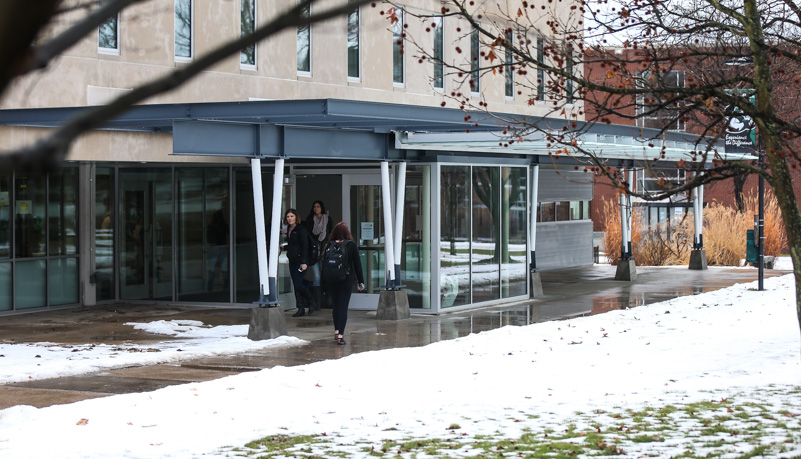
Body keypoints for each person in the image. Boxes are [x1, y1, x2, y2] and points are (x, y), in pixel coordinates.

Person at [323, 222, 365, 345]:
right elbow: (357, 265)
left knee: (335, 306)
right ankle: (341, 335)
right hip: (345, 280)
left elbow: (324, 266)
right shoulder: (350, 245)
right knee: (343, 307)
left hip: (331, 280)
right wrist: (360, 281)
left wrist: (323, 284)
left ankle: (336, 332)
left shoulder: (329, 245)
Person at [283, 208, 315, 317]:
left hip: (300, 261)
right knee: (296, 284)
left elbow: (305, 246)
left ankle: (311, 302)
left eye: (291, 216)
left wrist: (304, 262)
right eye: (288, 216)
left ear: (296, 217)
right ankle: (300, 308)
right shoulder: (289, 228)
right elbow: (293, 245)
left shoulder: (301, 229)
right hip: (292, 260)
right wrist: (283, 247)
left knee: (297, 282)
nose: (289, 218)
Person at [305, 200, 333, 311]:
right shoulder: (310, 220)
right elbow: (309, 236)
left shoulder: (327, 219)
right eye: (314, 207)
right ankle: (317, 303)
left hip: (326, 250)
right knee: (316, 276)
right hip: (314, 252)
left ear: (322, 207)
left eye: (318, 206)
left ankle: (328, 300)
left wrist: (327, 247)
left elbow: (331, 234)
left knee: (326, 275)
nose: (316, 208)